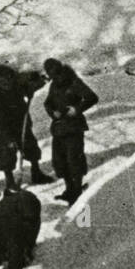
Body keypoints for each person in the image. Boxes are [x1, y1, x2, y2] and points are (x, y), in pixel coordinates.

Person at [42, 57, 99, 204]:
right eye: (49, 72)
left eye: (54, 70)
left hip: (74, 127)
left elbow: (92, 97)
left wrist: (77, 109)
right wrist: (53, 112)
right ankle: (69, 190)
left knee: (74, 160)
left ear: (60, 68)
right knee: (59, 162)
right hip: (59, 128)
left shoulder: (73, 81)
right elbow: (47, 103)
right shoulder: (53, 85)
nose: (52, 74)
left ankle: (77, 190)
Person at [0, 70, 53, 190]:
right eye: (4, 82)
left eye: (9, 80)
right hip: (5, 129)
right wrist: (8, 139)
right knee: (8, 154)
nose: (7, 84)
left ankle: (36, 173)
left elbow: (31, 87)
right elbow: (1, 119)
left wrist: (32, 89)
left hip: (22, 124)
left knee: (32, 148)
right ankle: (10, 182)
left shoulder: (17, 87)